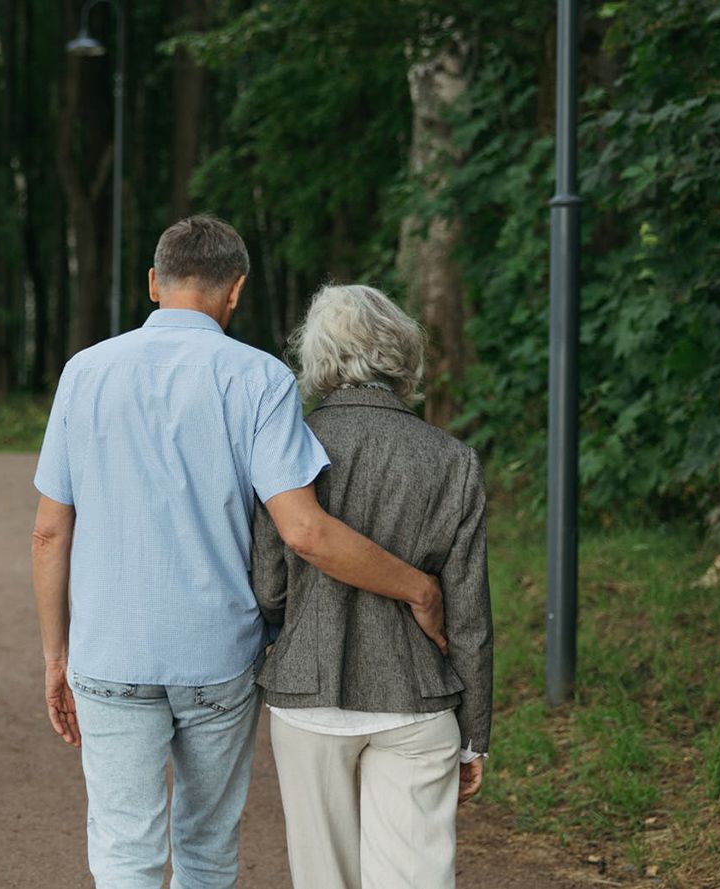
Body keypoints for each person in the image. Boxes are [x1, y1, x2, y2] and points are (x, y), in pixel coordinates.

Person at [31, 216, 449, 889]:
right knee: (204, 848)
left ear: (152, 283)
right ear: (235, 292)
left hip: (107, 652)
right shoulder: (262, 380)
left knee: (124, 855)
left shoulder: (85, 373)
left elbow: (49, 531)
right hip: (215, 658)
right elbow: (304, 531)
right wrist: (418, 587)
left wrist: (57, 654)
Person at [254, 284, 492, 889]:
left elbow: (269, 589)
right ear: (402, 356)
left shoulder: (289, 445)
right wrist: (475, 738)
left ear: (320, 357)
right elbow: (467, 614)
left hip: (308, 697)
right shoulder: (453, 459)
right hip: (417, 702)